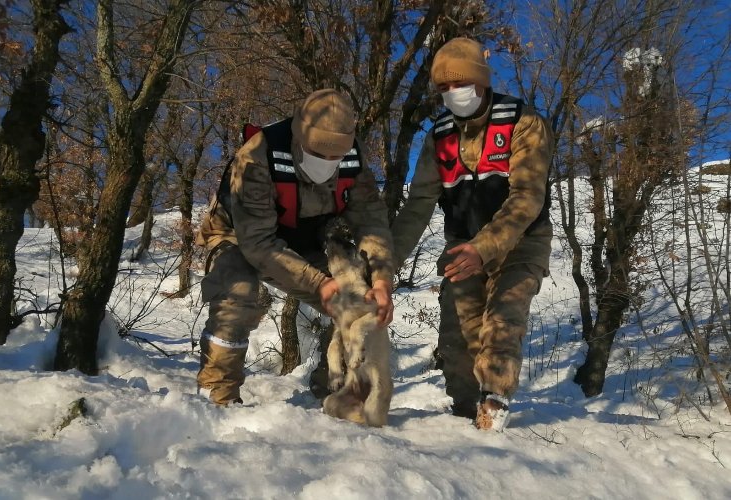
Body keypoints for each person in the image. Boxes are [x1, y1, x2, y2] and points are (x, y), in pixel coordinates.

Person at [391, 38, 554, 431]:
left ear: (481, 80)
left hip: (519, 243)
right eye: (443, 87)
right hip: (461, 245)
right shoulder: (439, 135)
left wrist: (485, 248)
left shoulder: (523, 123)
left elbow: (527, 197)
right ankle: (465, 415)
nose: (452, 93)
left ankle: (493, 408)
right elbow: (419, 204)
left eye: (460, 83)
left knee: (501, 324)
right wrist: (385, 264)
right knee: (458, 337)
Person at [195, 89, 394, 406]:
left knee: (358, 297)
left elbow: (371, 221)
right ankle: (217, 393)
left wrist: (382, 278)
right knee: (240, 291)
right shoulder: (257, 156)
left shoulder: (354, 159)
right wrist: (319, 284)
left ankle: (336, 387)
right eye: (319, 153)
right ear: (299, 137)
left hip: (304, 235)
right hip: (240, 232)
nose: (328, 163)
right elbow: (258, 243)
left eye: (335, 157)